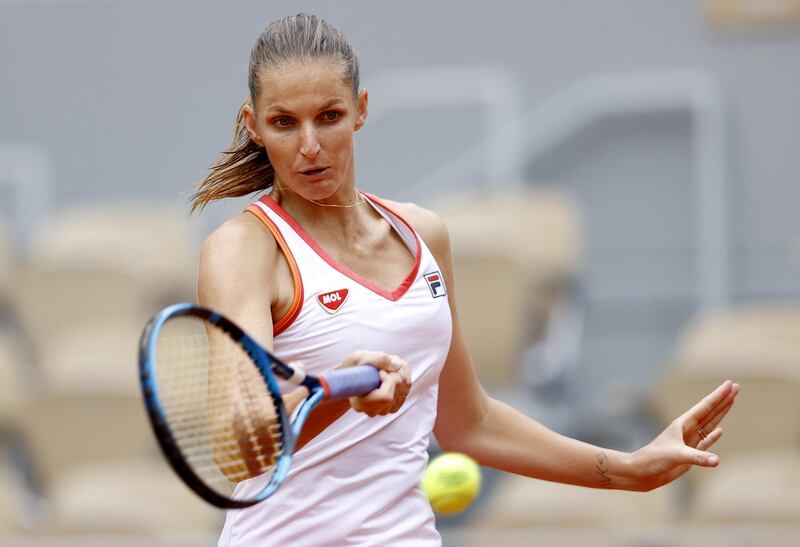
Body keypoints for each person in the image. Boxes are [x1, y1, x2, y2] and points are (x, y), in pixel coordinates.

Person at [192, 13, 740, 547]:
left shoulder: (423, 234)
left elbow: (468, 423)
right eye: (285, 122)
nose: (309, 145)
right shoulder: (242, 251)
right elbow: (240, 450)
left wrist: (628, 469)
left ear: (360, 110)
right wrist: (339, 390)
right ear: (254, 125)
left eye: (328, 116)